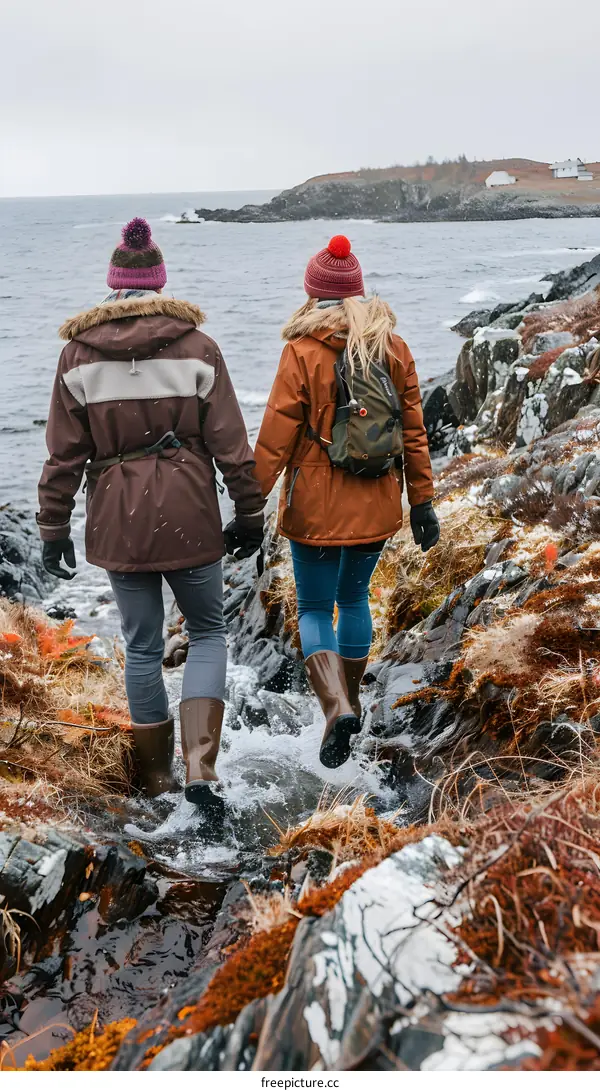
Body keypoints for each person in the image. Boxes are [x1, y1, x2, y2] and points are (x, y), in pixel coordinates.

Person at [37, 218, 264, 815]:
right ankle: (201, 769)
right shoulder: (198, 347)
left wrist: (52, 528)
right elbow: (232, 444)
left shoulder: (77, 355)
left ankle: (158, 783)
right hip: (190, 509)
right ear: (160, 284)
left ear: (112, 286)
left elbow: (63, 454)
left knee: (141, 648)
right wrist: (249, 512)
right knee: (209, 631)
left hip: (117, 517)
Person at [253, 235, 439, 769]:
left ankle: (335, 708)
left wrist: (249, 505)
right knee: (354, 599)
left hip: (314, 506)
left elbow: (275, 436)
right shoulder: (394, 347)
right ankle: (353, 703)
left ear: (314, 295)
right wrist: (422, 502)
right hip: (378, 501)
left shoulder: (301, 351)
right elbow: (414, 432)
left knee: (314, 608)